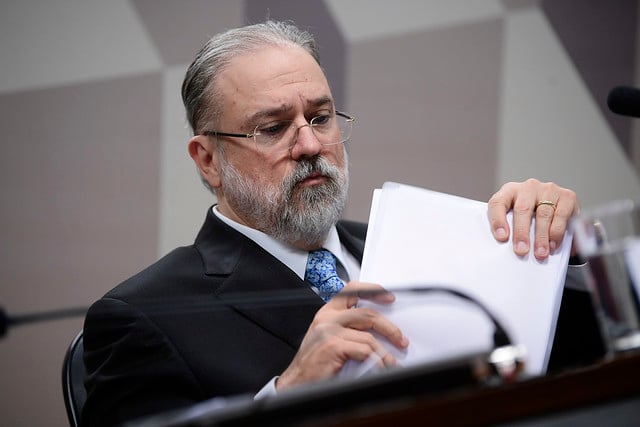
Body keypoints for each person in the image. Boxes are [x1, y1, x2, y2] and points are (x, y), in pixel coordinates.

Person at [81, 20, 603, 427]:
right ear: (208, 160)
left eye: (321, 116)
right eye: (273, 127)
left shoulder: (426, 245)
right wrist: (286, 396)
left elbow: (591, 360)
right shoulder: (144, 317)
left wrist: (563, 252)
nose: (310, 145)